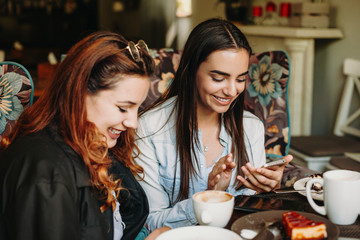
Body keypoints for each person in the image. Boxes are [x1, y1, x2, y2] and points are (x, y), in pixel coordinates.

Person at [0, 31, 168, 240]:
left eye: (137, 108)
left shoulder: (88, 144)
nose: (133, 122)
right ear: (80, 93)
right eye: (123, 108)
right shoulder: (47, 175)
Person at [134, 18, 293, 231]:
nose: (231, 91)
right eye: (219, 78)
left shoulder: (251, 127)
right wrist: (210, 198)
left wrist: (266, 191)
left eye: (240, 79)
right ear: (191, 71)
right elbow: (151, 222)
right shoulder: (149, 129)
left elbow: (252, 218)